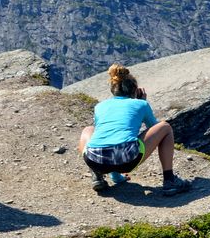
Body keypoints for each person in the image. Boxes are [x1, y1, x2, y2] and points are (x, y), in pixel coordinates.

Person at [77, 64, 192, 196]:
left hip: (96, 161)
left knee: (89, 130)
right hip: (128, 159)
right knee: (165, 127)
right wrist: (142, 102)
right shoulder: (140, 104)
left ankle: (97, 176)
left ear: (113, 90)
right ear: (135, 91)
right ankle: (170, 180)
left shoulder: (100, 106)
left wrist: (117, 178)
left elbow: (110, 138)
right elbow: (153, 128)